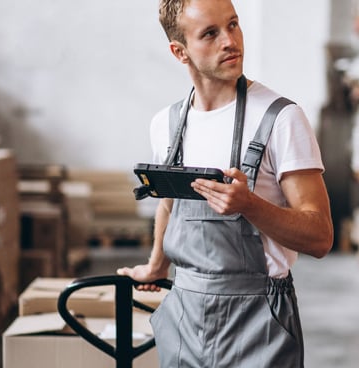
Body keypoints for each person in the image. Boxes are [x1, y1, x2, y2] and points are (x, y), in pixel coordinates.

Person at [117, 0, 333, 366]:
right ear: (179, 52)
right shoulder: (167, 125)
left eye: (233, 25)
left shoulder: (280, 119)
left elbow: (321, 237)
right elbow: (170, 204)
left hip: (259, 321)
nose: (230, 41)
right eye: (211, 34)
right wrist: (156, 265)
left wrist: (249, 205)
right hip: (184, 317)